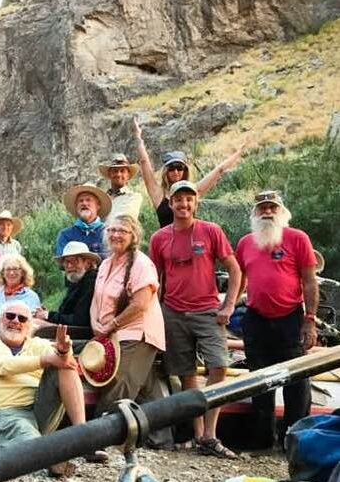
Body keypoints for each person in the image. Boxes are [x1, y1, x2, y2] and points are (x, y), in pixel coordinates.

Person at [149, 180, 242, 458]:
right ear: (170, 202)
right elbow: (155, 279)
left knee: (219, 367)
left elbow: (234, 269)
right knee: (186, 373)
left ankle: (212, 434)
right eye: (178, 199)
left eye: (189, 199)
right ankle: (200, 435)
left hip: (207, 311)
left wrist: (229, 305)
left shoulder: (210, 231)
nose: (184, 204)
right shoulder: (159, 238)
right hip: (173, 312)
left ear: (196, 202)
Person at [235, 190, 318, 449]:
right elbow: (240, 280)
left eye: (272, 207)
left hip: (290, 319)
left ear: (282, 212)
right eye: (262, 208)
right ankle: (262, 442)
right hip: (256, 320)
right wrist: (227, 305)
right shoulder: (246, 243)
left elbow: (309, 281)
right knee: (259, 383)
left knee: (297, 383)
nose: (268, 212)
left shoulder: (298, 239)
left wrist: (311, 319)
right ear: (255, 214)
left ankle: (295, 441)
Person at [0, 302, 97, 473]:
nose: (15, 321)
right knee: (26, 434)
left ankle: (84, 436)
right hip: (5, 412)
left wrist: (63, 351)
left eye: (22, 318)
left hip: (41, 408)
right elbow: (4, 365)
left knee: (64, 364)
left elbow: (64, 362)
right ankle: (50, 458)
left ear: (29, 326)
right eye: (10, 316)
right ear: (0, 320)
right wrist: (45, 359)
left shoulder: (39, 344)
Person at [89, 214, 165, 415]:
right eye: (112, 230)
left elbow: (140, 304)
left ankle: (100, 436)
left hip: (136, 334)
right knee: (146, 390)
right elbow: (96, 300)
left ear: (134, 236)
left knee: (119, 385)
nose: (116, 234)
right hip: (111, 335)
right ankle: (162, 439)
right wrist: (95, 323)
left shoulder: (142, 263)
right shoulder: (105, 264)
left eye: (122, 230)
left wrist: (112, 324)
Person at [134, 117, 250, 228]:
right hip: (168, 243)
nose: (176, 172)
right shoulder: (159, 194)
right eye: (171, 168)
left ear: (185, 171)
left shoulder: (193, 191)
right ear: (166, 171)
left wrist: (239, 152)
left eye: (180, 168)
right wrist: (138, 137)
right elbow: (144, 162)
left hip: (191, 242)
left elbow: (219, 171)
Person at [35, 241, 99, 332]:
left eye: (74, 262)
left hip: (82, 334)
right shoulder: (77, 281)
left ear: (87, 263)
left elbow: (80, 320)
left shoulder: (91, 282)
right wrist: (46, 314)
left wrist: (47, 315)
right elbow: (66, 313)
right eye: (66, 262)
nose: (69, 266)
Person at [0, 254, 42, 334]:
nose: (12, 273)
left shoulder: (31, 296)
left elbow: (31, 327)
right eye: (8, 269)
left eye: (15, 269)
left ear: (22, 273)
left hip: (16, 341)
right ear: (2, 273)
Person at [56, 182, 111, 258]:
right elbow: (63, 261)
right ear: (76, 206)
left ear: (98, 205)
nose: (84, 203)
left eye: (88, 200)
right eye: (81, 201)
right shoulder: (65, 235)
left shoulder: (109, 232)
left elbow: (112, 258)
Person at [99, 154, 143, 220]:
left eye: (122, 171)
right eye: (115, 171)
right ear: (109, 174)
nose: (118, 174)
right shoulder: (102, 198)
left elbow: (126, 219)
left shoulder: (134, 198)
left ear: (128, 175)